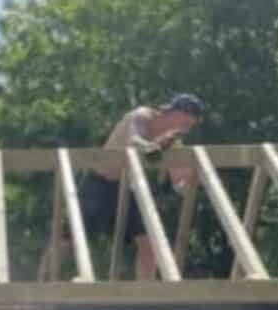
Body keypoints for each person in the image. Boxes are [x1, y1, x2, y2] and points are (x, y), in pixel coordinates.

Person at [78, 93, 205, 279]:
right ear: (177, 112)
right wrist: (150, 146)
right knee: (68, 240)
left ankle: (146, 297)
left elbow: (179, 182)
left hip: (123, 189)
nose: (185, 129)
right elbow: (134, 139)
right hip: (98, 183)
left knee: (150, 244)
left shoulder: (172, 141)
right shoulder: (142, 115)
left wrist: (192, 181)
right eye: (186, 123)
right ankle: (43, 282)